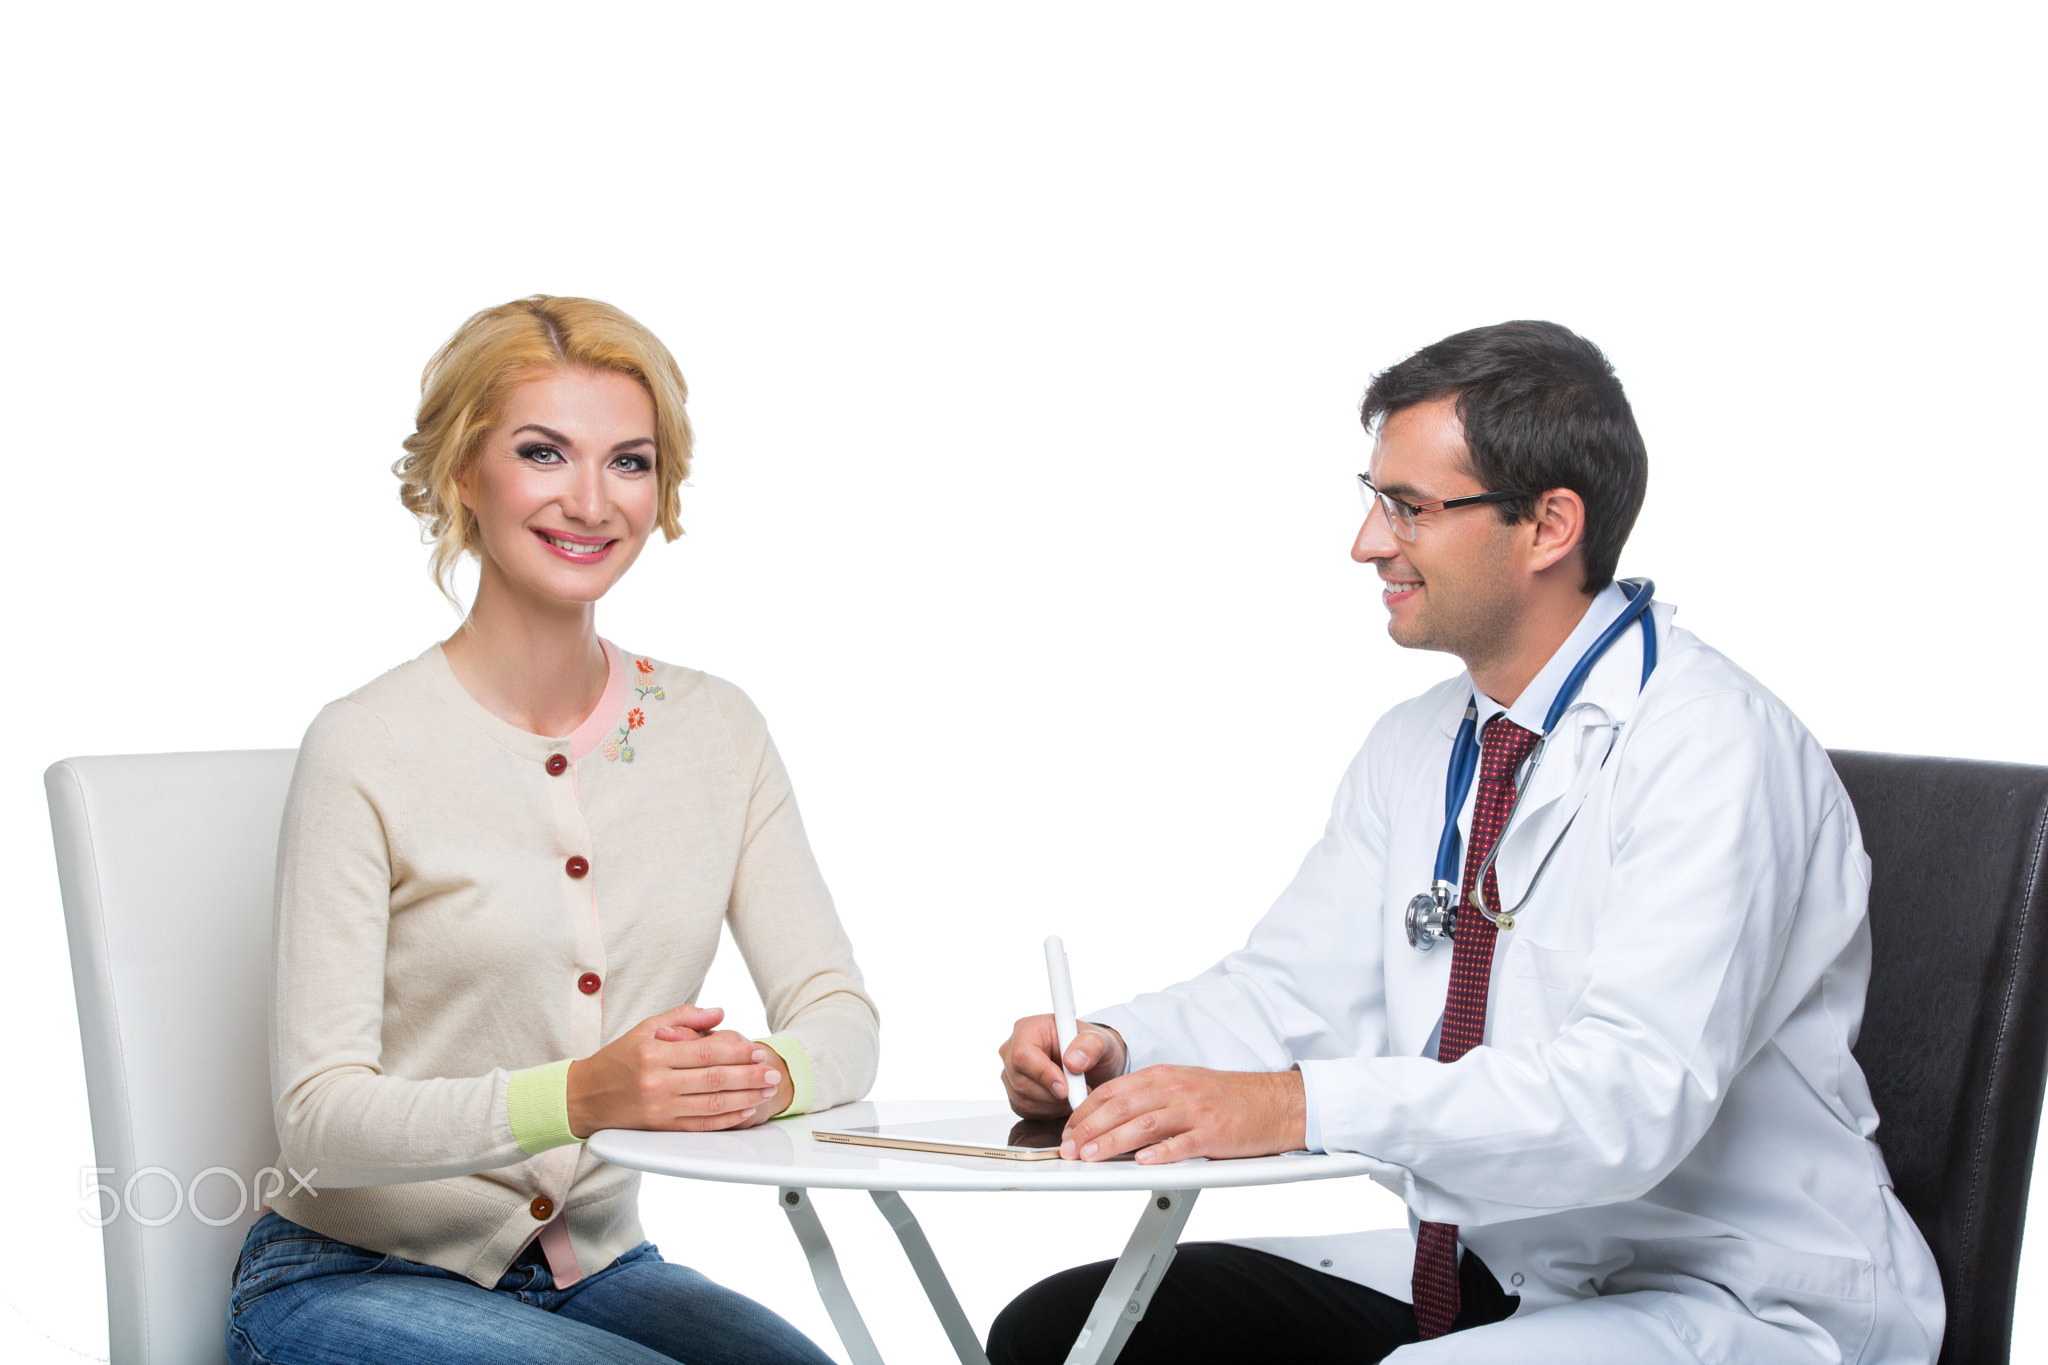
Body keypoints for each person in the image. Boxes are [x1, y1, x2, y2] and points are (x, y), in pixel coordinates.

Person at [990, 321, 1944, 1364]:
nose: (1365, 542)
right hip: (1505, 1264)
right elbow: (1293, 994)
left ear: (1547, 526)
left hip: (1733, 1286)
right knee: (1068, 1334)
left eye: (1407, 507)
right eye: (1371, 497)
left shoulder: (1710, 746)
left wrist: (1293, 1106)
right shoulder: (1419, 746)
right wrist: (1113, 1052)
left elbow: (1628, 1100)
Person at [227, 296, 877, 1365]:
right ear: (461, 474)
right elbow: (318, 1120)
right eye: (543, 453)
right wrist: (580, 1098)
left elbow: (838, 1011)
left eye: (629, 461)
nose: (590, 500)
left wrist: (758, 1079)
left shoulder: (715, 730)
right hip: (342, 1282)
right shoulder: (365, 744)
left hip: (604, 1273)